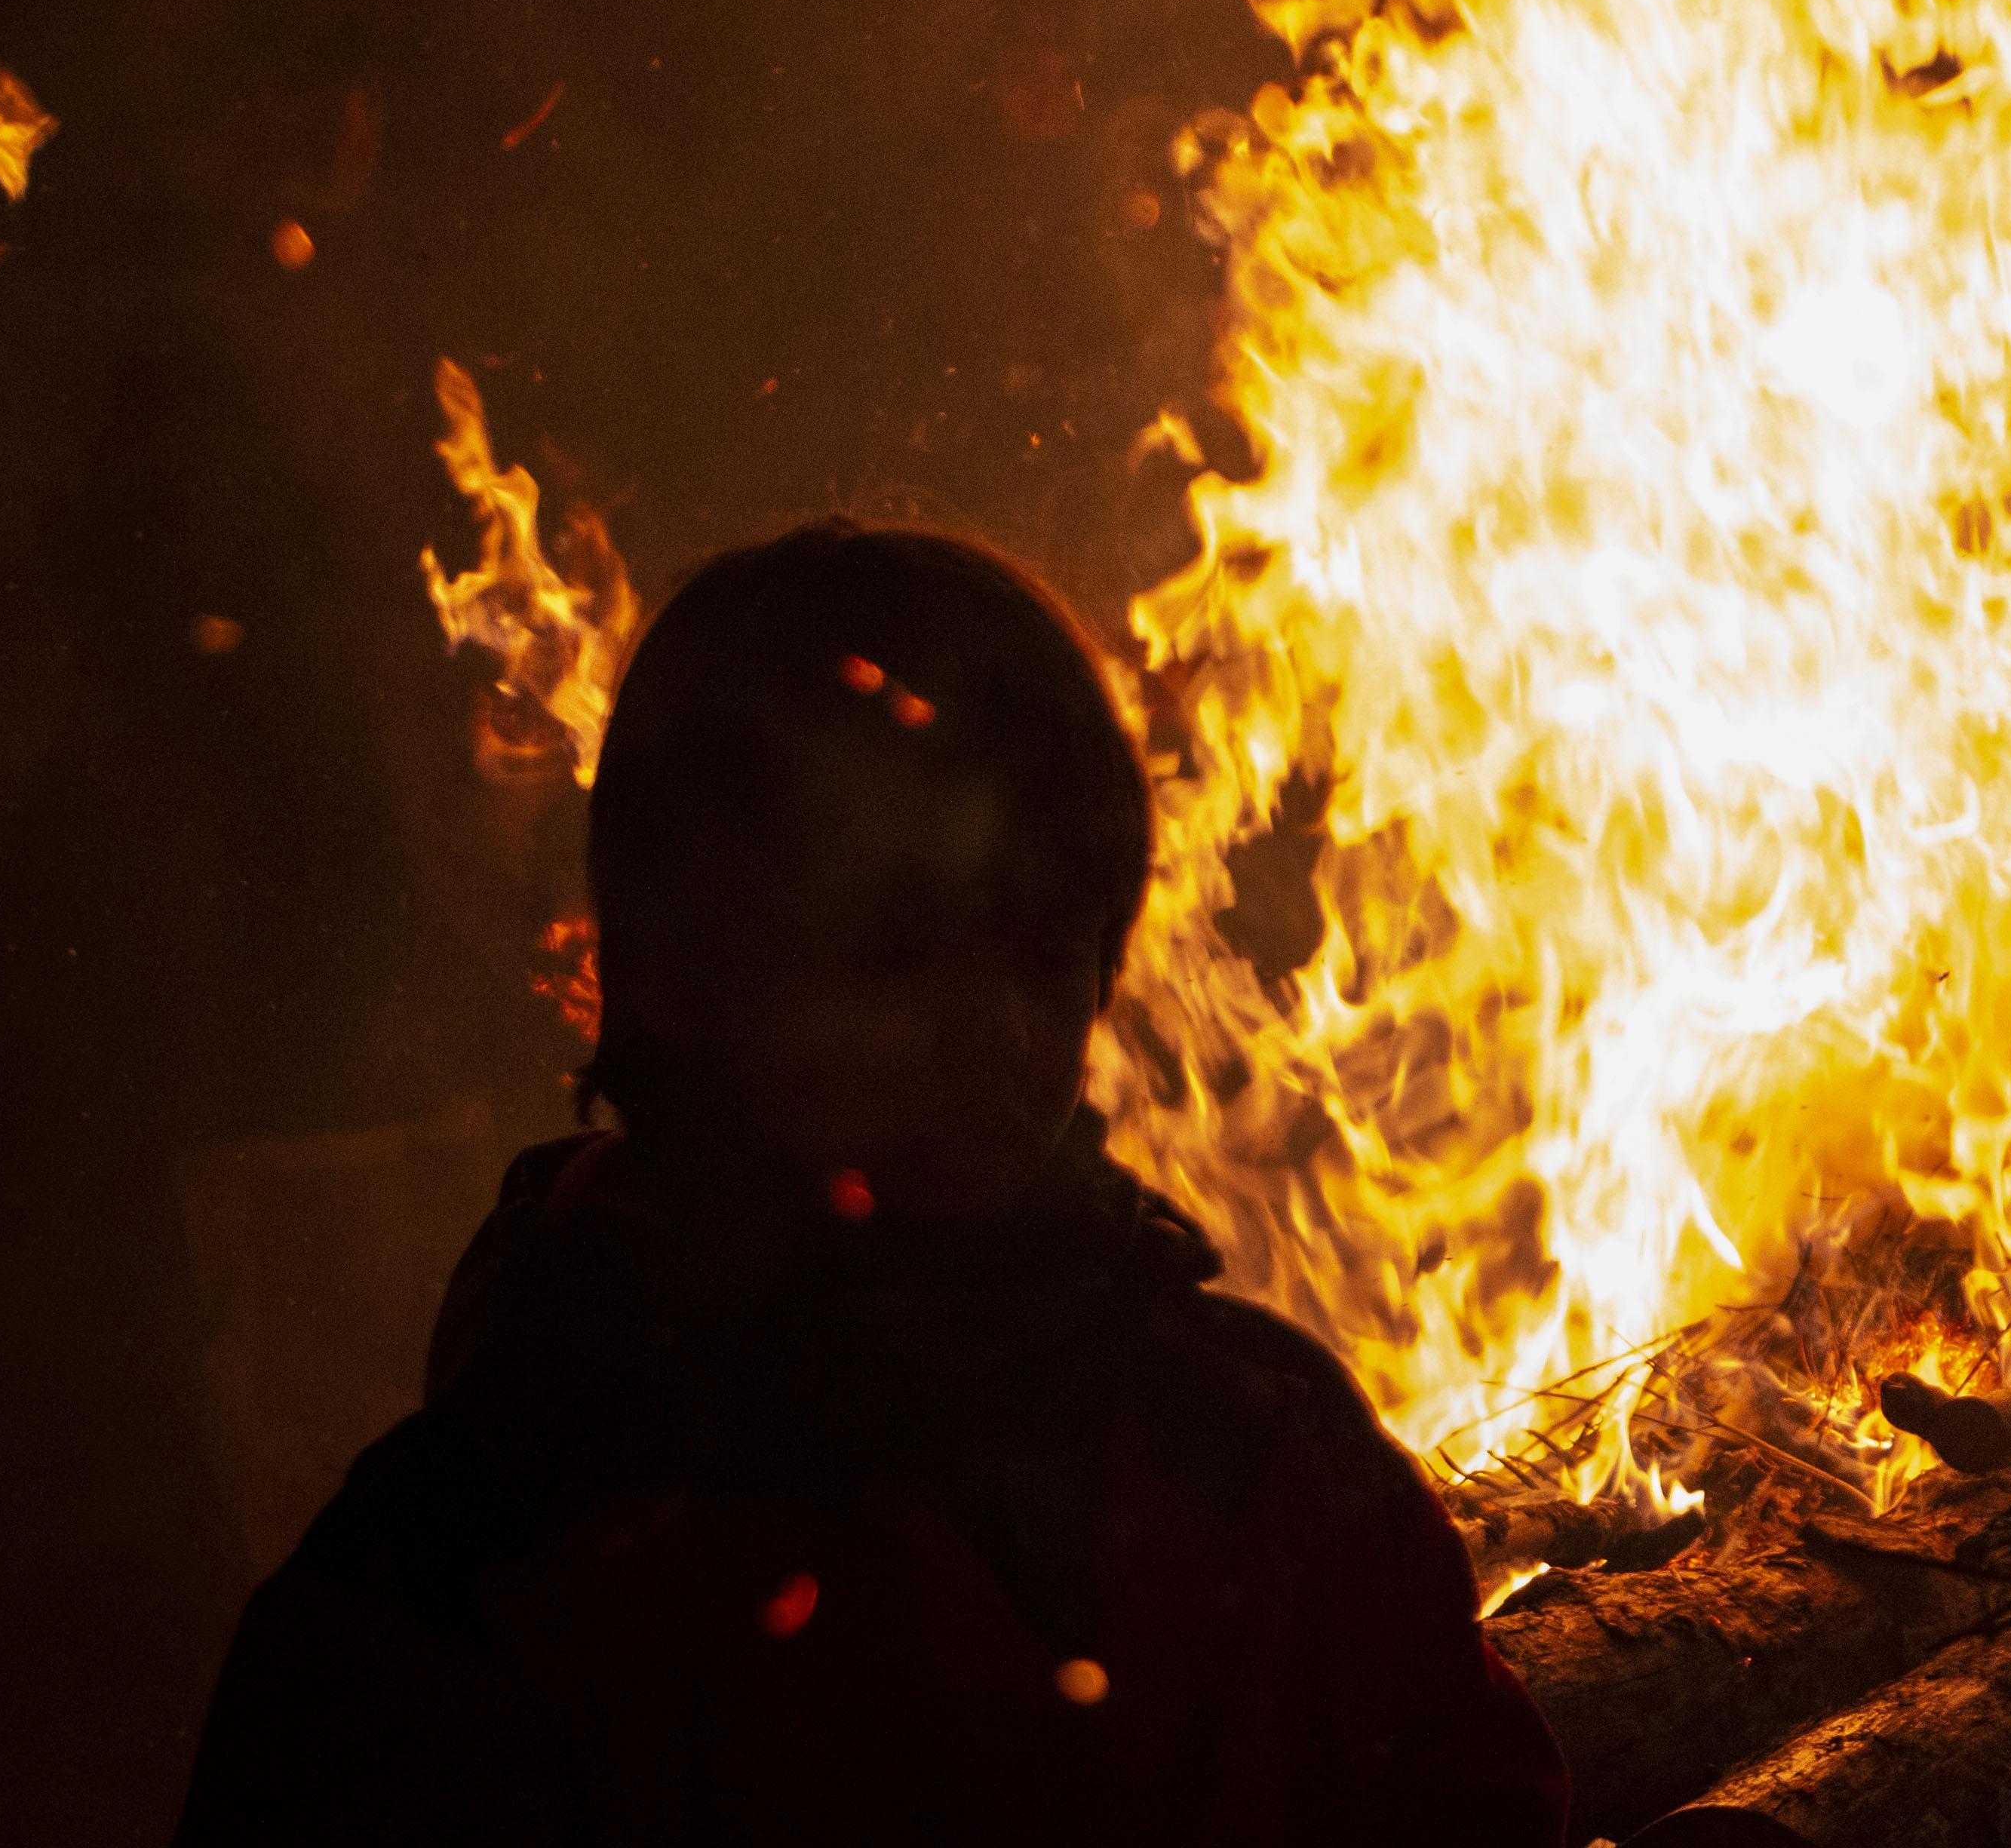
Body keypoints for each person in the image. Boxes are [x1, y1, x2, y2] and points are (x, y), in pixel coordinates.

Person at [173, 523, 1567, 1847]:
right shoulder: (475, 1588)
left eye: (1042, 951)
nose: (1001, 1031)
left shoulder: (1258, 1452)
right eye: (899, 956)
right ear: (692, 973)